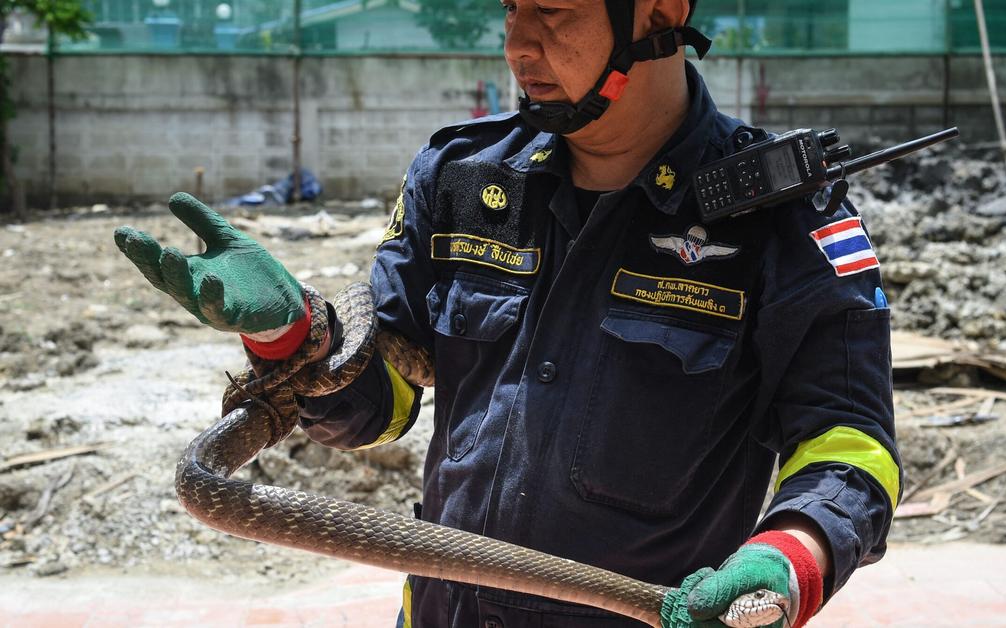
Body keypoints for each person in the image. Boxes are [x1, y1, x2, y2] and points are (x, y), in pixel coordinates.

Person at [114, 1, 900, 626]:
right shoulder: (458, 178)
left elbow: (851, 444)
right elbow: (381, 410)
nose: (520, 46)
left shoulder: (785, 218)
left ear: (657, 12)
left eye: (553, 13)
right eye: (510, 10)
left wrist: (786, 562)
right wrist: (291, 334)